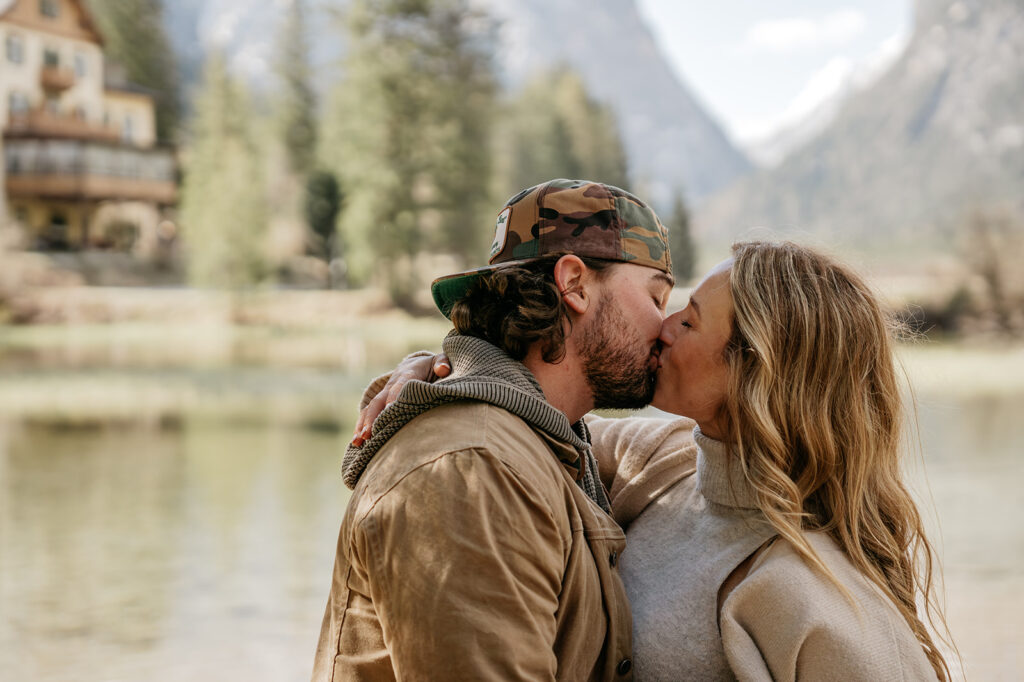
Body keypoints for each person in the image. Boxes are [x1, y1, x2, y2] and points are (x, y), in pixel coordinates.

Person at [364, 240, 955, 680]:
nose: (664, 328)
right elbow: (529, 418)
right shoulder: (664, 464)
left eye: (688, 318)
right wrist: (445, 367)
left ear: (753, 370)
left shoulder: (802, 590)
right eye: (664, 303)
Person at [311, 178, 675, 681]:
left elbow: (701, 451)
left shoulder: (546, 441)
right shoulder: (474, 470)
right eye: (657, 298)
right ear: (574, 284)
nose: (666, 329)